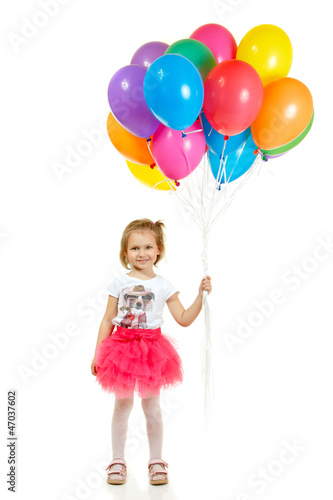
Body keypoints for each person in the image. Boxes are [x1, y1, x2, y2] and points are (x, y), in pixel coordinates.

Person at [91, 218, 212, 486]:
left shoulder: (164, 285)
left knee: (152, 407)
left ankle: (156, 461)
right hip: (121, 348)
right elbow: (107, 319)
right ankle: (118, 460)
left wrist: (200, 296)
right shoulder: (118, 283)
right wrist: (99, 352)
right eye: (134, 248)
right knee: (122, 404)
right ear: (125, 253)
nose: (141, 253)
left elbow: (183, 318)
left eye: (147, 247)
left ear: (158, 250)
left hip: (151, 351)